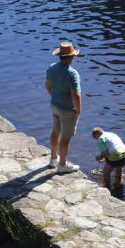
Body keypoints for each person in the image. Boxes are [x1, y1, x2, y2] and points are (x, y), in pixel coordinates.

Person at [46, 41, 81, 174]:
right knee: (65, 138)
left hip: (54, 105)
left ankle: (53, 159)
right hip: (67, 110)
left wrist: (53, 97)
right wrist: (78, 110)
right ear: (71, 57)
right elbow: (76, 95)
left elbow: (48, 85)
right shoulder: (72, 74)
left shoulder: (51, 68)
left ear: (60, 56)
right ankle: (62, 165)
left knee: (55, 131)